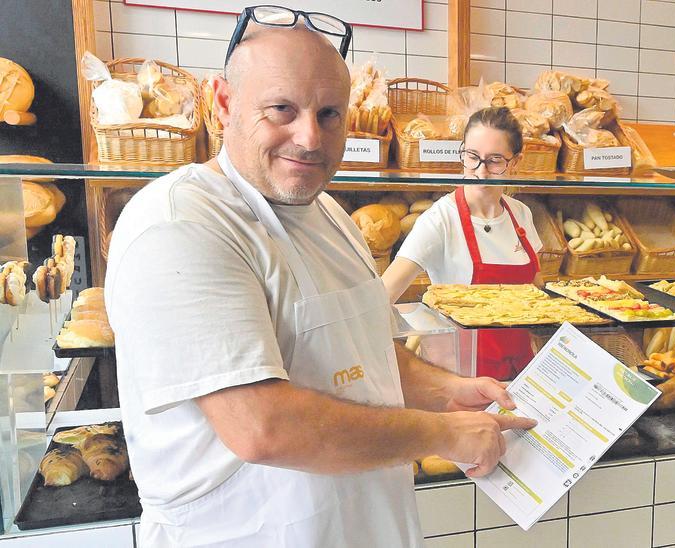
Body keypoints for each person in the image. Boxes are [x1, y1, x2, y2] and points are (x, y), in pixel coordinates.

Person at [105, 8, 535, 546]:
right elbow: (263, 427)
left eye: (329, 113)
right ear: (223, 103)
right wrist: (445, 434)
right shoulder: (181, 224)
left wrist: (448, 390)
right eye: (281, 109)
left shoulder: (329, 215)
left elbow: (360, 351)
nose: (309, 137)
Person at [382, 107, 543, 381]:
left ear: (515, 162)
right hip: (461, 379)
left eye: (494, 161)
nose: (480, 171)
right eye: (472, 157)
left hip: (520, 373)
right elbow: (381, 297)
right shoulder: (440, 220)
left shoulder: (521, 214)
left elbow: (536, 293)